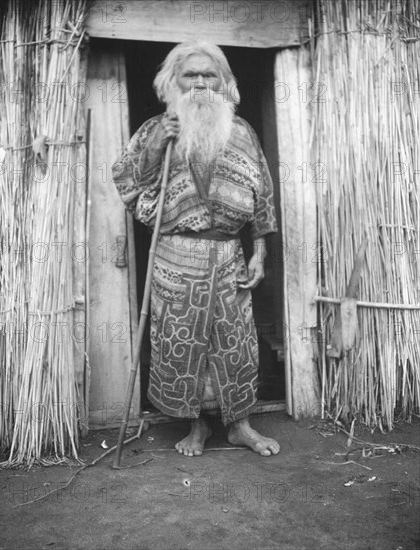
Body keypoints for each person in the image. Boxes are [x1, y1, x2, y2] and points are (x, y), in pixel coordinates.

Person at [112, 41, 280, 457]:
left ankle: (240, 425)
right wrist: (155, 148)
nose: (202, 83)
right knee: (180, 343)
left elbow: (262, 196)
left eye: (211, 75)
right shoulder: (155, 131)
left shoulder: (241, 132)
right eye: (192, 75)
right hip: (175, 257)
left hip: (228, 257)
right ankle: (196, 426)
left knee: (235, 342)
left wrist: (259, 252)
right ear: (173, 82)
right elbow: (128, 184)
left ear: (224, 81)